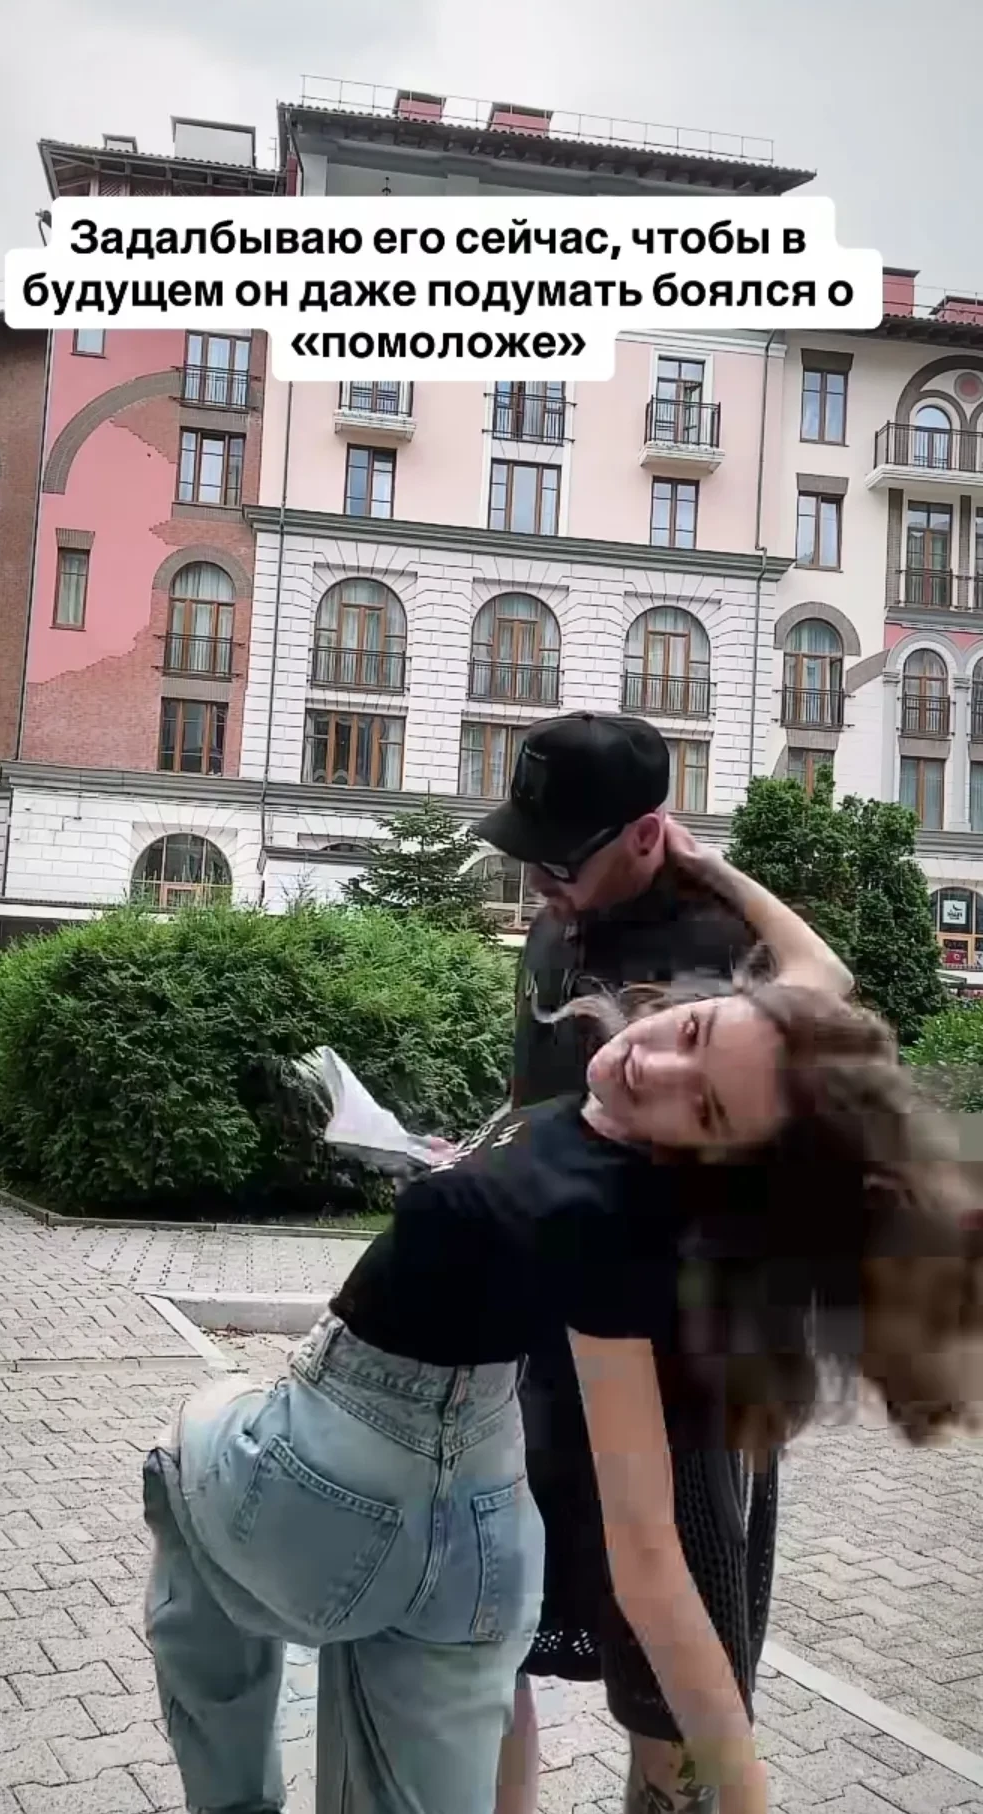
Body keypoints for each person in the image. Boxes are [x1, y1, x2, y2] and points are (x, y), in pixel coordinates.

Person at [142, 826, 983, 1814]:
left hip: (344, 1467)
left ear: (721, 1164)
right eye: (693, 1033)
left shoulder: (606, 1219)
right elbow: (820, 976)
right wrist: (709, 865)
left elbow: (651, 1558)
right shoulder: (665, 1146)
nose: (654, 1068)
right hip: (475, 1536)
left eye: (704, 1109)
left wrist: (745, 1793)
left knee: (189, 1449)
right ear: (711, 1000)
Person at [476, 713, 776, 1812]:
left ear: (648, 835)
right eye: (527, 853)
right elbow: (539, 1094)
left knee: (670, 1673)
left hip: (668, 1354)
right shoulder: (555, 928)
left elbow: (824, 1015)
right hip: (534, 1339)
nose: (539, 881)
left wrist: (720, 868)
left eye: (560, 860)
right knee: (490, 1640)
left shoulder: (713, 953)